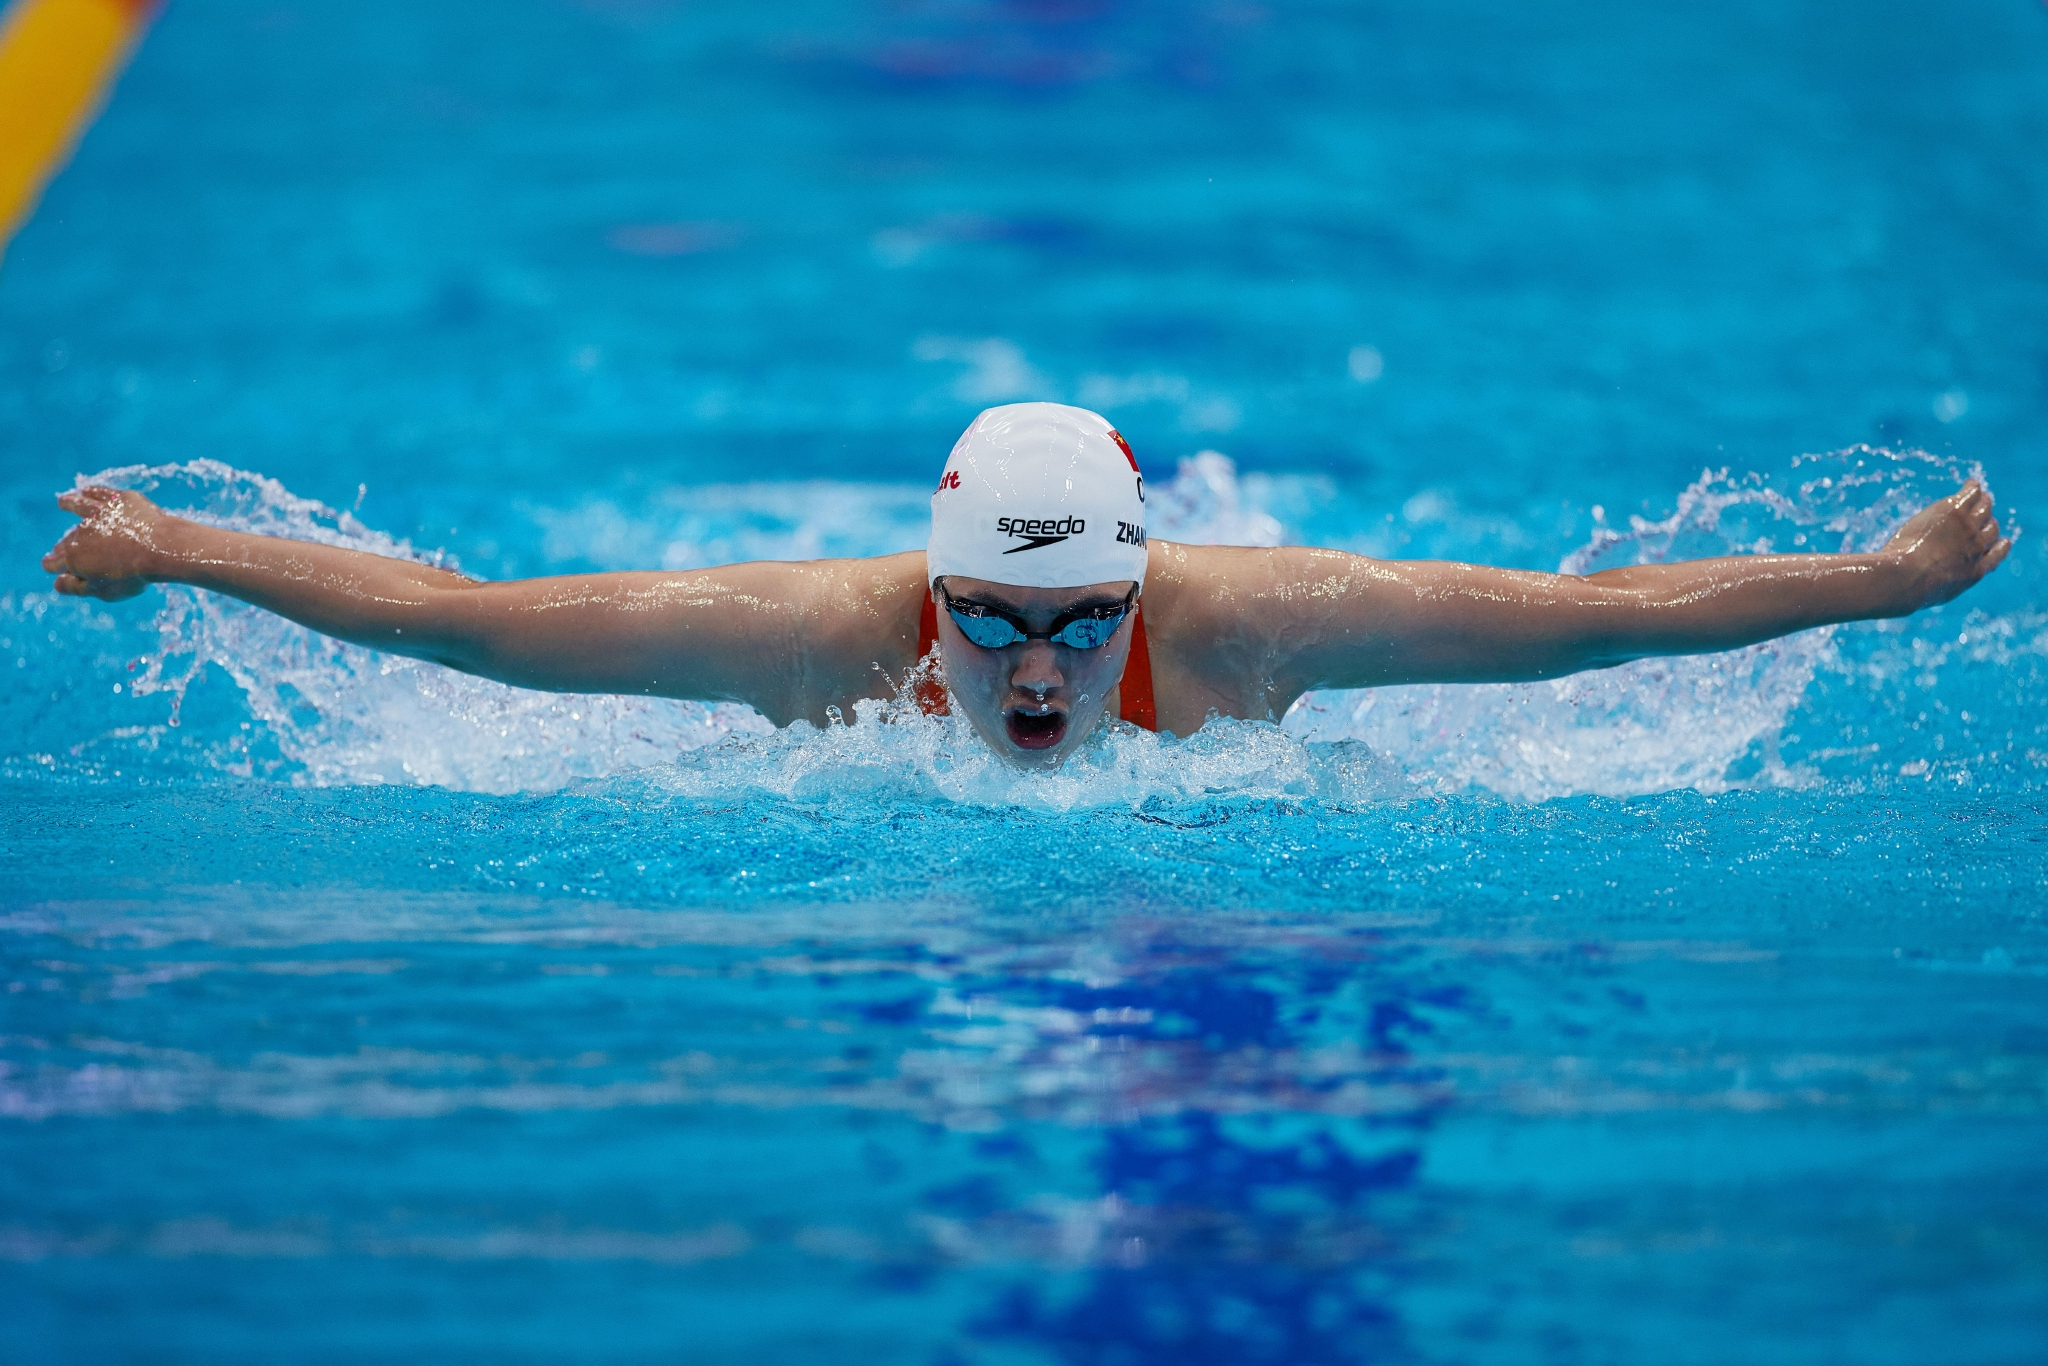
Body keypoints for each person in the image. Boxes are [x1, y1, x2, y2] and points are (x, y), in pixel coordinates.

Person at [41, 402, 2009, 768]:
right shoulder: (814, 640)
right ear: (934, 587)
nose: (1039, 665)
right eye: (991, 615)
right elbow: (466, 618)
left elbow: (1588, 619)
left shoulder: (1256, 621)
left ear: (1145, 592)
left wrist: (1876, 580)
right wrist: (174, 546)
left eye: (1083, 619)